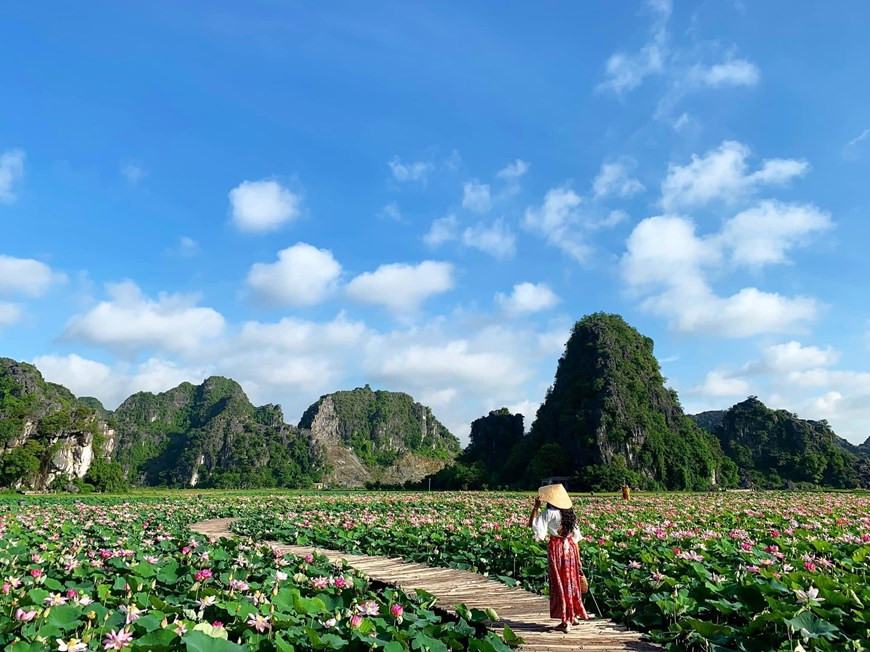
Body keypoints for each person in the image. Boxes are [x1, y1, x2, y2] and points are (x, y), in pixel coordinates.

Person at [527, 484, 590, 632]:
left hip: (556, 548)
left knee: (559, 583)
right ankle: (573, 615)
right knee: (571, 582)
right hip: (571, 550)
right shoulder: (570, 515)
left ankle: (565, 621)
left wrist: (535, 507)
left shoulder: (549, 513)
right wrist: (578, 559)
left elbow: (533, 526)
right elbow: (575, 539)